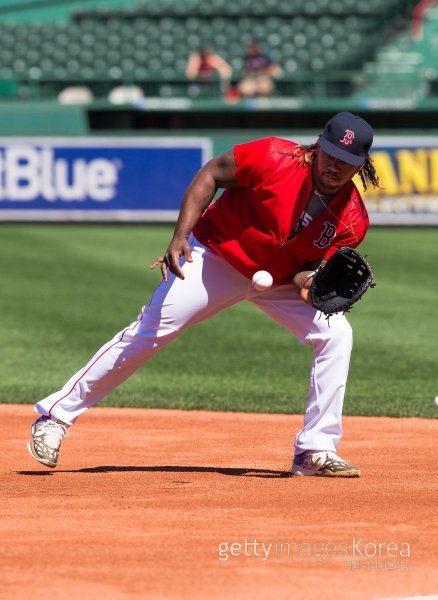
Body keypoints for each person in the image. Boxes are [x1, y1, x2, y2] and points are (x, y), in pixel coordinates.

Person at [27, 112, 380, 477]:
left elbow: (307, 269)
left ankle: (314, 450)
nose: (335, 166)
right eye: (331, 154)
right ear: (318, 146)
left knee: (336, 334)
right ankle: (55, 418)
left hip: (277, 279)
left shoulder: (352, 220)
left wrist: (309, 284)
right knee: (151, 329)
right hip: (215, 256)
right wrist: (181, 235)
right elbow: (210, 174)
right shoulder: (272, 156)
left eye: (347, 162)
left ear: (360, 166)